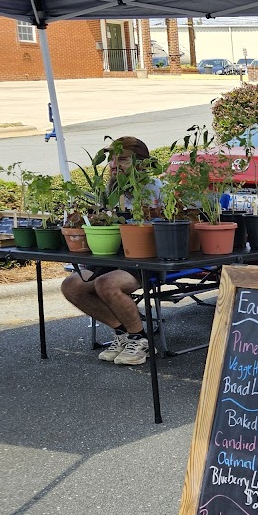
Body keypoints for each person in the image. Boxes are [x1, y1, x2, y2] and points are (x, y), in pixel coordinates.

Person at [59, 135, 156, 366]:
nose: (113, 165)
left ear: (141, 163)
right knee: (71, 286)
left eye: (122, 160)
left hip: (146, 260)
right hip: (112, 257)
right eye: (111, 160)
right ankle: (123, 332)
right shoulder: (110, 192)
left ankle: (140, 339)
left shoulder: (155, 190)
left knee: (106, 284)